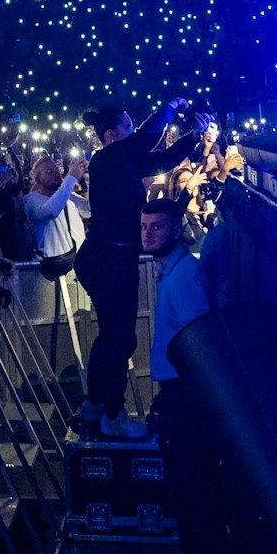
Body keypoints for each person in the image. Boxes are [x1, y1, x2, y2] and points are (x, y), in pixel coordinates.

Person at [73, 102, 196, 438]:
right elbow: (146, 139)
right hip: (108, 260)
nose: (132, 133)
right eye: (127, 127)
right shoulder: (107, 158)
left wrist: (194, 136)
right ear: (112, 135)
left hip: (112, 259)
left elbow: (162, 159)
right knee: (120, 337)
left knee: (113, 336)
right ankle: (112, 413)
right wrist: (169, 108)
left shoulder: (122, 162)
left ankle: (94, 404)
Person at [142, 197, 233, 554]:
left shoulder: (185, 278)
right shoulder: (173, 273)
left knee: (195, 495)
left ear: (176, 230)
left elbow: (201, 342)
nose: (147, 234)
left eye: (156, 227)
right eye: (144, 227)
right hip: (179, 396)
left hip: (186, 399)